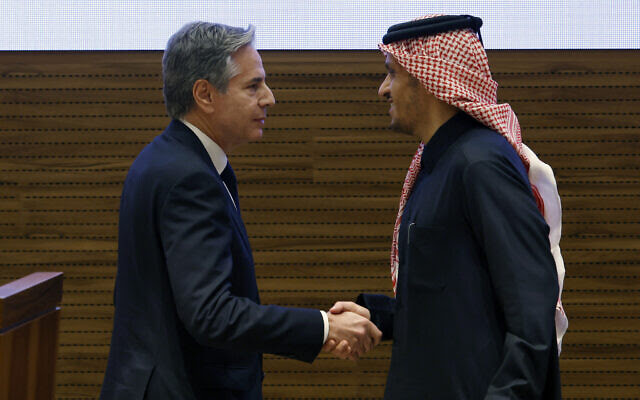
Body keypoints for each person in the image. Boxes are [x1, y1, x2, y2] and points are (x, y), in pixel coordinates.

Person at [100, 22, 381, 400]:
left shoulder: (174, 159)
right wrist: (325, 328)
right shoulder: (188, 177)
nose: (269, 98)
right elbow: (211, 314)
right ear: (205, 94)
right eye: (253, 86)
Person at [328, 15, 568, 399]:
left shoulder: (480, 164)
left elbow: (531, 309)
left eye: (391, 73)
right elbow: (455, 301)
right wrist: (375, 316)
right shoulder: (441, 163)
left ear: (428, 79)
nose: (382, 90)